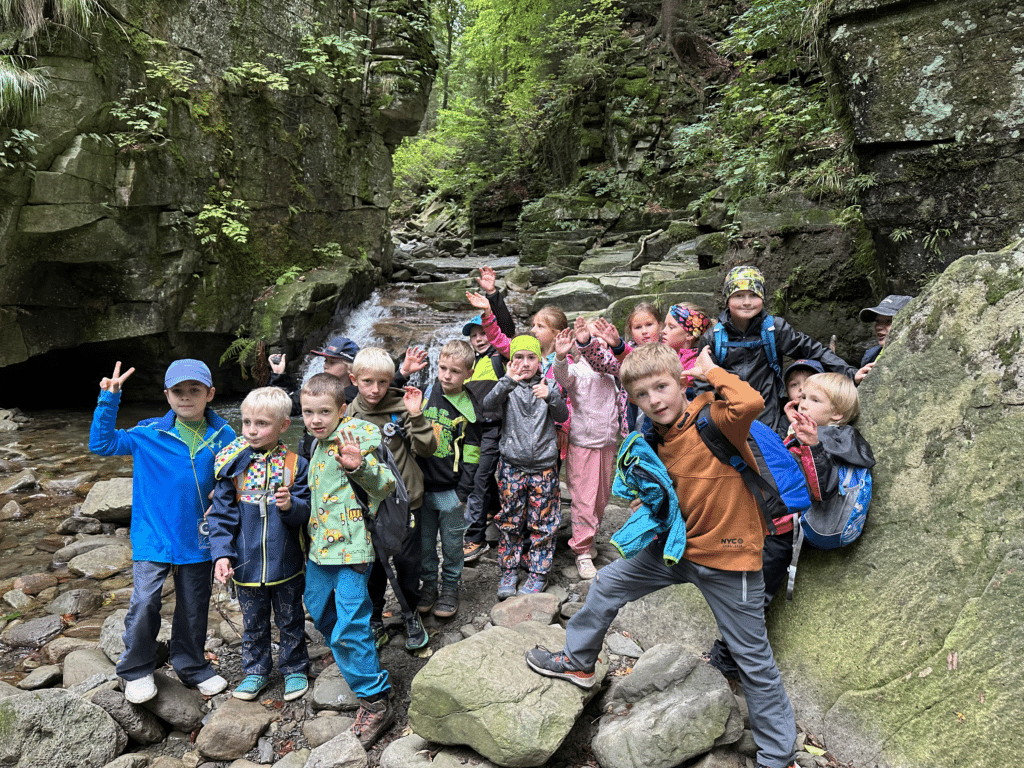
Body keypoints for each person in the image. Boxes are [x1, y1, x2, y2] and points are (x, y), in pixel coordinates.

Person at [525, 343, 798, 768]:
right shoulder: (654, 436)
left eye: (662, 387)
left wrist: (712, 369)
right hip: (676, 549)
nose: (654, 400)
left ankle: (778, 755)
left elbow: (752, 401)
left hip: (731, 560)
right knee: (607, 583)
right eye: (642, 395)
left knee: (753, 661)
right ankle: (578, 661)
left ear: (682, 383)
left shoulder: (717, 418)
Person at [708, 371, 875, 682]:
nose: (802, 403)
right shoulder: (816, 434)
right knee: (741, 586)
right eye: (802, 397)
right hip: (771, 523)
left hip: (784, 533)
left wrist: (810, 444)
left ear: (836, 414)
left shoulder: (829, 441)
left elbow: (821, 488)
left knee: (755, 595)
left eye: (813, 400)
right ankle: (732, 653)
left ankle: (731, 659)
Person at [89, 359, 236, 704]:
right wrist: (108, 399)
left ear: (209, 394)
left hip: (198, 537)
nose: (186, 397)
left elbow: (236, 476)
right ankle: (137, 669)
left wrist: (225, 498)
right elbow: (102, 444)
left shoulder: (225, 435)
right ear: (167, 395)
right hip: (153, 535)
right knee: (144, 601)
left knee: (193, 607)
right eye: (178, 391)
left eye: (194, 390)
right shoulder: (148, 433)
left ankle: (193, 667)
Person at [299, 372, 397, 749]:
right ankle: (350, 652)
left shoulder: (357, 437)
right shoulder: (315, 445)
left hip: (354, 550)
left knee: (351, 621)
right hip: (320, 550)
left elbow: (385, 484)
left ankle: (375, 700)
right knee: (318, 606)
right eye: (308, 412)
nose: (315, 420)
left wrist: (359, 466)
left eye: (324, 412)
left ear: (342, 409)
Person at [207, 387, 312, 702]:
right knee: (253, 622)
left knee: (291, 618)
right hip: (246, 565)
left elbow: (305, 515)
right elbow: (222, 517)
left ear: (283, 426)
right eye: (247, 422)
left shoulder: (296, 466)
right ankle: (255, 672)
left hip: (287, 564)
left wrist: (290, 506)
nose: (252, 430)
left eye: (262, 423)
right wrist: (222, 555)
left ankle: (294, 668)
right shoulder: (233, 468)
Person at [345, 347, 435, 649]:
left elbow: (426, 449)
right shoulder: (349, 413)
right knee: (374, 565)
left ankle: (410, 613)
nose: (375, 389)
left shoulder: (400, 405)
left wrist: (416, 415)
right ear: (353, 379)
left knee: (408, 563)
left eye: (383, 382)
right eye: (368, 382)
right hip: (369, 505)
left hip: (406, 499)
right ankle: (374, 619)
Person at [697, 265, 857, 435]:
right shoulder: (713, 338)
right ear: (727, 299)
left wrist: (851, 372)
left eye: (753, 295)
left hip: (768, 421)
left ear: (763, 298)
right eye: (738, 295)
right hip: (728, 421)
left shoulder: (774, 329)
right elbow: (704, 384)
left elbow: (812, 350)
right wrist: (706, 424)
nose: (746, 302)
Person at [483, 335, 569, 599]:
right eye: (518, 357)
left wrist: (551, 396)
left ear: (540, 361)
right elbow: (487, 405)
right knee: (509, 520)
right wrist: (507, 381)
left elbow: (563, 416)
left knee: (543, 521)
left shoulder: (550, 384)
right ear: (510, 361)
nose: (525, 363)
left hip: (544, 466)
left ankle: (538, 572)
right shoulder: (507, 387)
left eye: (531, 357)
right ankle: (509, 570)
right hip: (511, 466)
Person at [268, 335, 428, 456]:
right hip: (311, 451)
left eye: (332, 361)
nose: (325, 364)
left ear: (349, 367)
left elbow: (383, 389)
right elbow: (289, 406)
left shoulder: (362, 393)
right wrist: (278, 376)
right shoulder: (317, 385)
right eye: (326, 360)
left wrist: (403, 373)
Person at [417, 340, 482, 618]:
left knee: (453, 544)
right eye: (442, 368)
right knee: (425, 543)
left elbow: (472, 453)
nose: (446, 375)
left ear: (469, 372)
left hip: (451, 491)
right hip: (421, 488)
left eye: (455, 371)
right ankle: (429, 585)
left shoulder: (468, 407)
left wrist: (463, 491)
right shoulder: (425, 393)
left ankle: (450, 587)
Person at [552, 319, 620, 580]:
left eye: (600, 337)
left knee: (602, 498)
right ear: (579, 346)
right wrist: (560, 356)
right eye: (589, 337)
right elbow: (562, 378)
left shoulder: (611, 372)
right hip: (582, 444)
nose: (596, 342)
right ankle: (581, 551)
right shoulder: (576, 370)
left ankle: (589, 540)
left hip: (607, 443)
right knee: (583, 500)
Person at [462, 267, 515, 564]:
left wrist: (493, 297)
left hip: (495, 427)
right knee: (476, 478)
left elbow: (506, 329)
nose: (480, 339)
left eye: (483, 333)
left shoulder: (500, 357)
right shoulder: (469, 366)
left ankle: (475, 538)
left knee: (481, 477)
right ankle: (493, 510)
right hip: (472, 430)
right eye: (474, 335)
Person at [855, 294, 913, 383]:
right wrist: (857, 382)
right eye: (878, 321)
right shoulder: (870, 356)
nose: (879, 327)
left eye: (888, 321)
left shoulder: (915, 358)